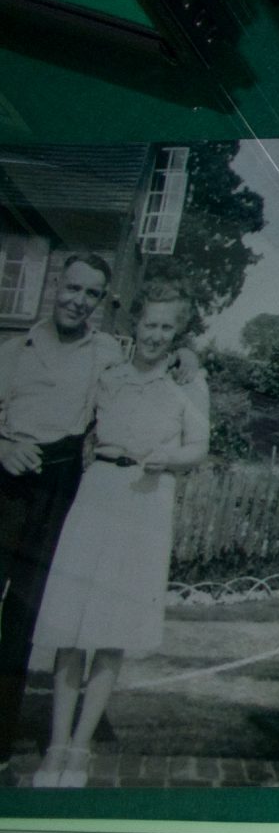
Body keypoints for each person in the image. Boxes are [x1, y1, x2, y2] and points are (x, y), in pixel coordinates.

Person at [27, 282, 209, 788]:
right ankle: (55, 746)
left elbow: (198, 446)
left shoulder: (189, 383)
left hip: (147, 501)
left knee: (111, 631)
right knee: (71, 626)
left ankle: (80, 750)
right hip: (99, 493)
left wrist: (169, 457)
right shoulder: (108, 373)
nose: (156, 335)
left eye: (167, 327)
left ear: (178, 332)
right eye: (149, 323)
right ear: (136, 324)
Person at [1, 254, 124, 742]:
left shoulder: (107, 353)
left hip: (60, 486)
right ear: (57, 283)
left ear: (101, 300)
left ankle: (1, 733)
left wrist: (187, 357)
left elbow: (147, 373)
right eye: (73, 288)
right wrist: (3, 447)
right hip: (7, 480)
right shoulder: (14, 350)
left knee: (25, 611)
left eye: (91, 294)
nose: (79, 301)